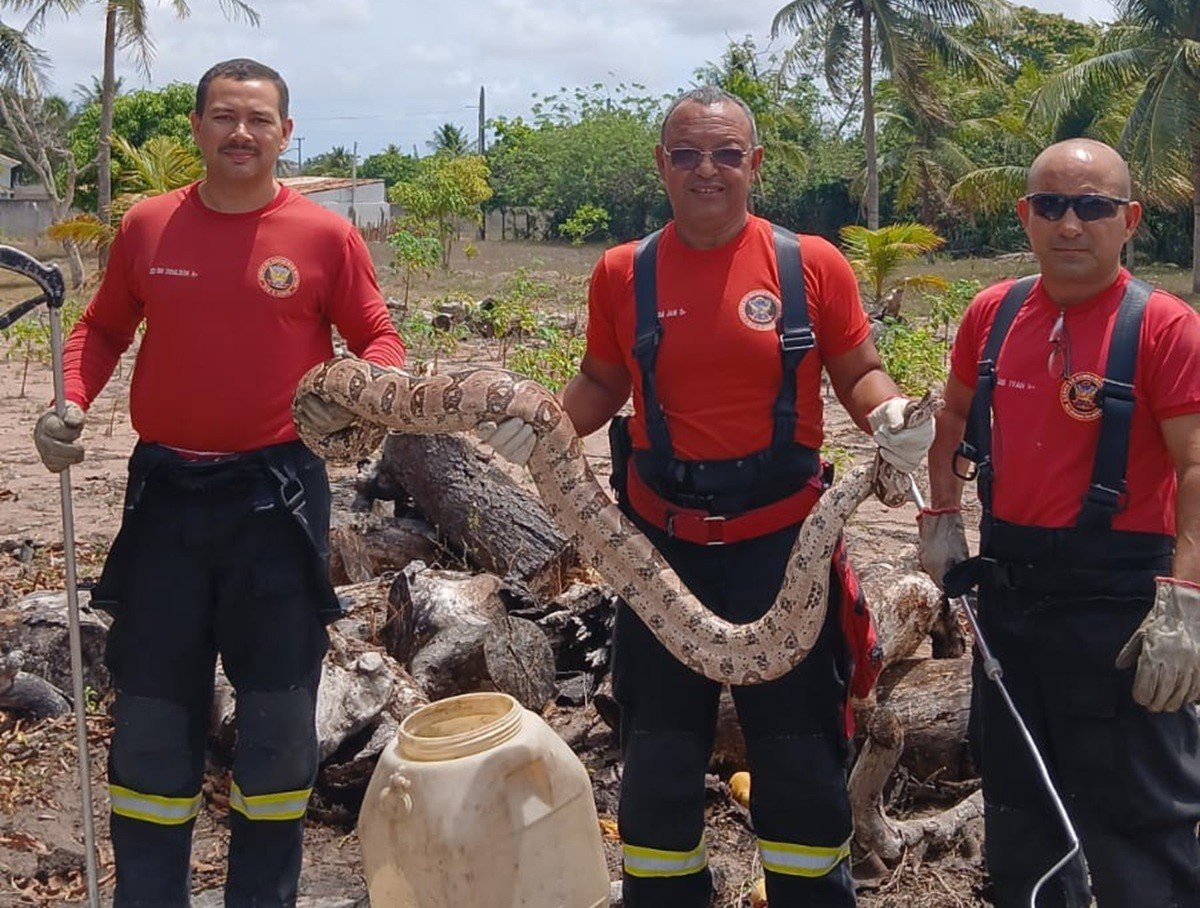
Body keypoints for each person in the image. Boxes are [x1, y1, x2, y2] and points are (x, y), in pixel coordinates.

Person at [482, 85, 931, 907]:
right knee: (656, 763)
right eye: (686, 153)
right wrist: (539, 428)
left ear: (754, 164)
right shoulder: (624, 272)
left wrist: (892, 413)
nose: (707, 169)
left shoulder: (812, 264)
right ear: (661, 165)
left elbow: (859, 371)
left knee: (798, 762)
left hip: (784, 549)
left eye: (726, 153)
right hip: (662, 552)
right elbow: (600, 379)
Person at [32, 58, 404, 907]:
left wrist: (368, 392)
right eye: (225, 118)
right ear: (197, 129)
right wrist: (69, 400)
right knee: (153, 727)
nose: (243, 133)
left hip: (278, 501)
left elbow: (378, 339)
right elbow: (101, 327)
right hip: (165, 499)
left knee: (277, 735)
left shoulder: (322, 236)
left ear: (285, 131)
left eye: (260, 119)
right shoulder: (149, 225)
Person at [919, 138, 1200, 907]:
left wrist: (1187, 599)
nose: (1069, 224)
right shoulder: (994, 313)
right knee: (1019, 811)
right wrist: (941, 517)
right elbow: (952, 416)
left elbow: (1195, 466)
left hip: (1121, 606)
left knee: (1140, 818)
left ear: (1128, 219)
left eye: (1092, 207)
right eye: (1050, 205)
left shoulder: (1164, 328)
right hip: (1011, 600)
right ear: (1025, 215)